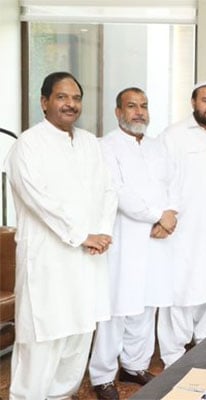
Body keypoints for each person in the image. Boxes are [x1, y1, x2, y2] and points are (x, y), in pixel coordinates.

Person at [4, 71, 118, 399]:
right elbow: (38, 199)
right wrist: (82, 235)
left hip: (88, 261)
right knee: (43, 343)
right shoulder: (28, 145)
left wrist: (102, 232)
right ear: (44, 102)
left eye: (76, 98)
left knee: (77, 342)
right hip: (48, 262)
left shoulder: (89, 143)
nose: (70, 104)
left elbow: (109, 190)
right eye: (62, 97)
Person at [88, 87, 176, 399]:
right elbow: (118, 191)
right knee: (117, 307)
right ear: (118, 112)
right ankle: (102, 375)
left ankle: (134, 365)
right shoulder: (105, 146)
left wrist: (171, 214)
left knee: (146, 305)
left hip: (156, 238)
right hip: (124, 239)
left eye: (144, 106)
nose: (139, 112)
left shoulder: (157, 146)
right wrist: (158, 215)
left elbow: (174, 184)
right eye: (132, 106)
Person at [157, 81, 206, 368]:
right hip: (184, 228)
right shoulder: (174, 135)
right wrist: (164, 214)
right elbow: (161, 178)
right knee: (181, 288)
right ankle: (173, 358)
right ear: (193, 103)